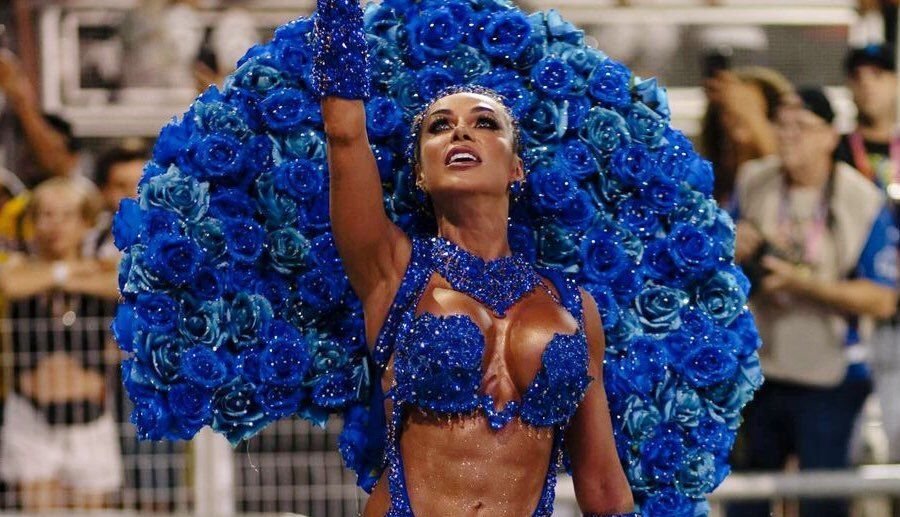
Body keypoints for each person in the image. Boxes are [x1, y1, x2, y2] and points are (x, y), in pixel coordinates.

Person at [315, 0, 635, 512]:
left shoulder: (575, 308)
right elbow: (344, 131)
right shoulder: (394, 272)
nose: (460, 132)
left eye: (485, 123)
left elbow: (600, 481)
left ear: (517, 168)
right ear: (420, 174)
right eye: (439, 126)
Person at [730, 88, 898, 517]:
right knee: (745, 500)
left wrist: (803, 285)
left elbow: (882, 300)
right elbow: (710, 264)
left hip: (830, 378)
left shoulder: (862, 199)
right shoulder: (754, 180)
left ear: (830, 136)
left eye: (801, 127)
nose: (787, 136)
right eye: (781, 125)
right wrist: (727, 245)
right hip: (757, 372)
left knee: (823, 501)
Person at [0, 177, 122, 511]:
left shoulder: (104, 269)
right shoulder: (21, 267)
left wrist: (69, 273)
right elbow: (12, 284)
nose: (55, 225)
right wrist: (68, 271)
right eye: (46, 215)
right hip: (31, 416)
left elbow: (119, 284)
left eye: (66, 215)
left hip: (90, 418)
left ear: (85, 222)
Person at [701, 67, 793, 207]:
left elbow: (778, 166)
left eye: (747, 105)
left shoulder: (791, 181)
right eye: (729, 108)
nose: (739, 114)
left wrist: (751, 116)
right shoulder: (706, 189)